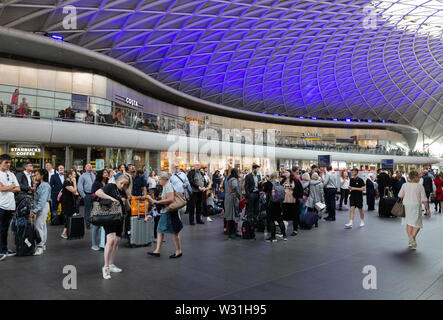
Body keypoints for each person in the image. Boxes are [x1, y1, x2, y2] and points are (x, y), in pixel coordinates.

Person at [95, 173, 132, 279]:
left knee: (116, 241)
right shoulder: (111, 186)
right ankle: (105, 267)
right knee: (110, 240)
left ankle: (111, 264)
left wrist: (126, 201)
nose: (123, 186)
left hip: (119, 218)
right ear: (118, 181)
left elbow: (128, 209)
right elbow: (98, 192)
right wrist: (111, 198)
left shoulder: (123, 192)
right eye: (122, 183)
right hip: (109, 217)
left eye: (125, 185)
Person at [147, 172, 183, 258]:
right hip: (166, 212)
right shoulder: (166, 186)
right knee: (160, 230)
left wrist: (157, 202)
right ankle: (157, 250)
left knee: (174, 232)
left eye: (159, 179)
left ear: (164, 179)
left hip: (169, 212)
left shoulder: (168, 186)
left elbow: (170, 199)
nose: (158, 180)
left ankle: (178, 250)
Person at [398, 170, 430, 250]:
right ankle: (412, 238)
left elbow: (400, 195)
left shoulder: (404, 185)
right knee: (417, 224)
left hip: (406, 205)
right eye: (418, 176)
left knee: (409, 223)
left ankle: (410, 241)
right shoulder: (419, 186)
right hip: (415, 206)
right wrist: (427, 209)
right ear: (416, 177)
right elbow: (424, 199)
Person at [0, 154, 20, 261]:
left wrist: (7, 187)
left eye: (9, 162)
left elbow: (18, 188)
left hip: (11, 206)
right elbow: (1, 189)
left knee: (5, 229)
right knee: (0, 229)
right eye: (6, 162)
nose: (8, 164)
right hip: (1, 206)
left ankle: (4, 249)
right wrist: (11, 186)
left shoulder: (12, 175)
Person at [29, 169, 51, 256]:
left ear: (42, 176)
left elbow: (42, 201)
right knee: (42, 226)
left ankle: (40, 246)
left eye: (37, 174)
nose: (35, 176)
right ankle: (42, 244)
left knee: (38, 225)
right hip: (41, 206)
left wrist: (34, 211)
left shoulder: (45, 185)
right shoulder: (40, 185)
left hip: (42, 207)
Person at [263, 171, 286, 242]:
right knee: (280, 220)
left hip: (271, 204)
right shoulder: (279, 183)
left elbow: (265, 191)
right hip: (278, 204)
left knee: (271, 220)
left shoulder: (268, 183)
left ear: (271, 176)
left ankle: (273, 237)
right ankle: (284, 236)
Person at [90, 170, 109, 251]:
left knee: (104, 224)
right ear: (101, 174)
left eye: (107, 172)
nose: (106, 174)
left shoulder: (107, 183)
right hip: (98, 205)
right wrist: (101, 196)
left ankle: (102, 243)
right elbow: (93, 194)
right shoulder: (96, 183)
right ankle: (94, 244)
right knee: (96, 225)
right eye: (105, 173)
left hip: (105, 205)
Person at [223, 168, 242, 240]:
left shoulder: (228, 179)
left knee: (231, 217)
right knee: (232, 217)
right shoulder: (234, 180)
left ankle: (233, 232)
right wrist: (238, 194)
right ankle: (231, 233)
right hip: (232, 200)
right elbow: (235, 187)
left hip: (228, 199)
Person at [281, 169, 301, 236]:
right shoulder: (283, 180)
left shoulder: (295, 180)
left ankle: (295, 230)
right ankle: (283, 229)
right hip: (285, 201)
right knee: (284, 216)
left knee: (295, 216)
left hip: (293, 200)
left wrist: (299, 197)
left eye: (287, 172)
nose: (285, 174)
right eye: (285, 172)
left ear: (290, 173)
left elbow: (300, 189)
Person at [60, 169, 79, 239]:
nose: (75, 176)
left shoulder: (69, 182)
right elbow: (74, 190)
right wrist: (74, 182)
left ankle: (67, 232)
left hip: (70, 202)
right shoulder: (67, 183)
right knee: (68, 217)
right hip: (67, 203)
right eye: (74, 174)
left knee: (70, 216)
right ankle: (64, 232)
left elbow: (75, 192)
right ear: (70, 175)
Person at [77, 163, 96, 229]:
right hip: (87, 194)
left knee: (94, 209)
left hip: (94, 194)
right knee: (87, 210)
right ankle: (87, 224)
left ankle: (93, 222)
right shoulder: (82, 176)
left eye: (90, 166)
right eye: (88, 166)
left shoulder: (94, 175)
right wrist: (84, 195)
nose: (90, 167)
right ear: (85, 168)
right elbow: (79, 186)